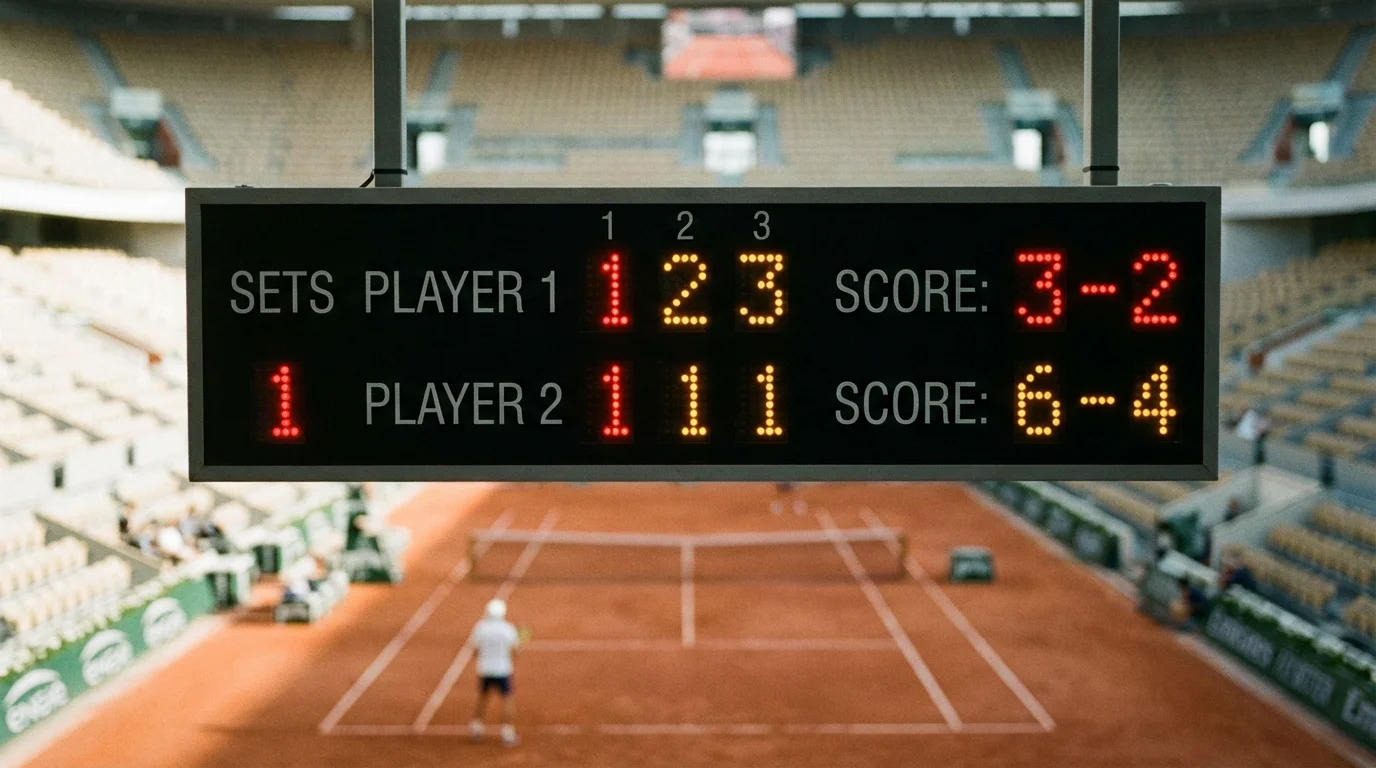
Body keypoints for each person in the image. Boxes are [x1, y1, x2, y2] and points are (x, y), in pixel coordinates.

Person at [469, 599, 523, 747]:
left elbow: (475, 651)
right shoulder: (508, 629)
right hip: (502, 670)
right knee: (507, 700)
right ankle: (507, 733)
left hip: (485, 670)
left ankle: (476, 728)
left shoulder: (480, 628)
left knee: (483, 698)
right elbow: (515, 651)